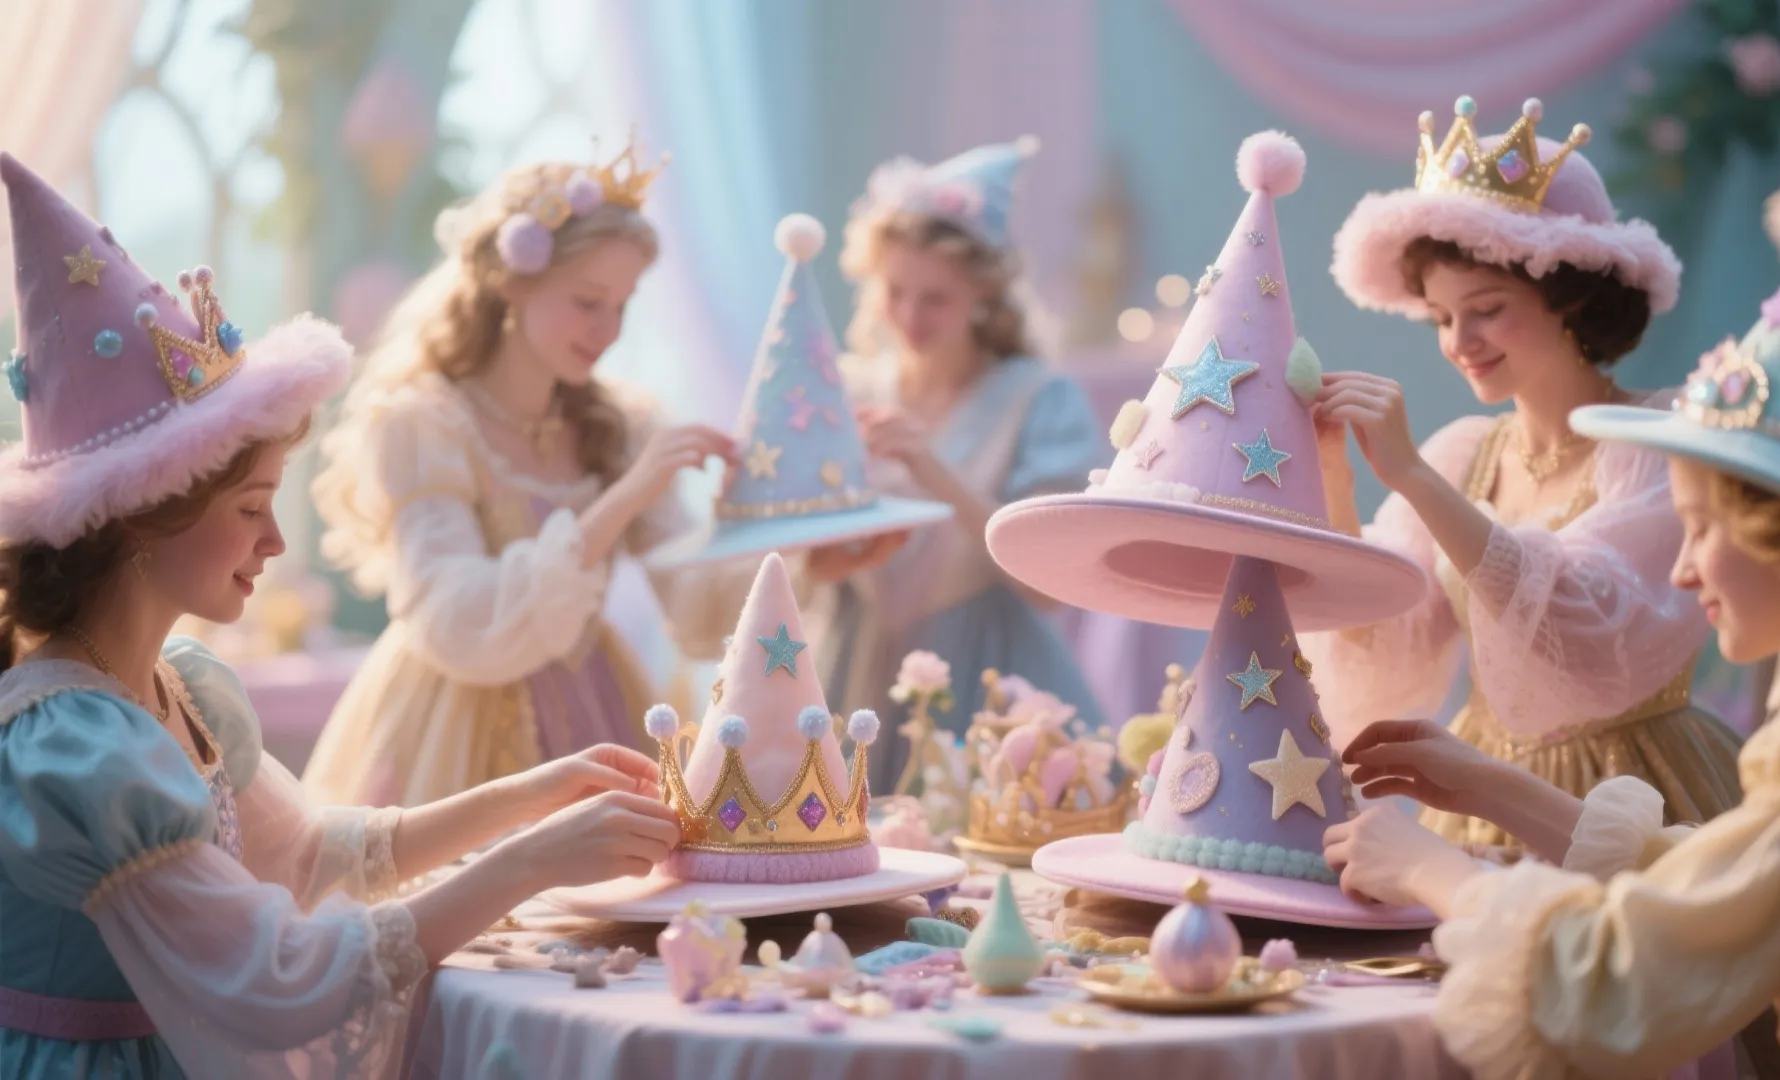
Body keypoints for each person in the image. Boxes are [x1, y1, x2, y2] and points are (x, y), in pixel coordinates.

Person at [0, 154, 679, 1077]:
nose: (276, 541)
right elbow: (278, 979)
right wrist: (531, 861)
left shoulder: (172, 687)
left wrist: (527, 798)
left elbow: (311, 851)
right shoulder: (75, 743)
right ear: (143, 517)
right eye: (251, 508)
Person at [1322, 50, 1780, 1077]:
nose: (1685, 571)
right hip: (1513, 791)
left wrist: (1437, 869)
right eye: (1443, 316)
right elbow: (1694, 871)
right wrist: (1484, 783)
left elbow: (1619, 970)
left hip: (1636, 780)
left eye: (1705, 532)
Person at [1302, 94, 1742, 849]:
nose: (1459, 341)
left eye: (1486, 308)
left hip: (1636, 794)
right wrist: (1335, 477)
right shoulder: (1464, 453)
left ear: (1568, 295)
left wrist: (1410, 475)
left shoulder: (1655, 438)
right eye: (1442, 317)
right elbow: (1381, 646)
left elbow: (1586, 637)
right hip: (1475, 795)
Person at [303, 145, 738, 807]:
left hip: (597, 706)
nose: (608, 330)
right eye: (587, 301)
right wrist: (621, 501)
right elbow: (456, 619)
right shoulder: (426, 424)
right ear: (512, 282)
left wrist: (786, 540)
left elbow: (694, 605)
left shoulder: (621, 428)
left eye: (622, 306)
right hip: (449, 730)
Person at [804, 138, 1108, 782]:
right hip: (850, 667)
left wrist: (933, 470)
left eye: (936, 298)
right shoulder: (846, 390)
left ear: (983, 293)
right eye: (895, 290)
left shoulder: (1036, 399)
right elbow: (806, 554)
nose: (910, 316)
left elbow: (1046, 587)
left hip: (989, 673)